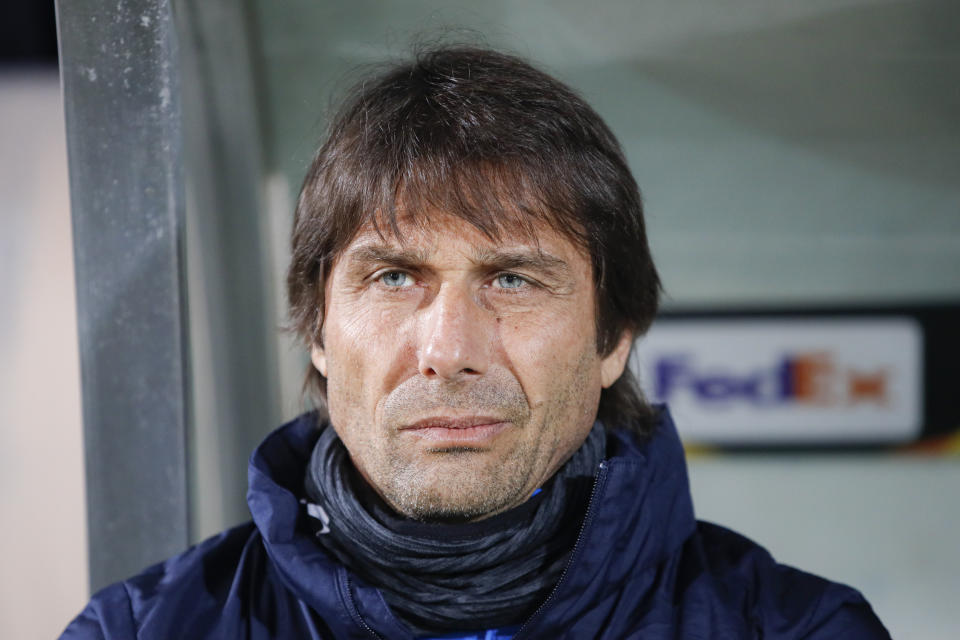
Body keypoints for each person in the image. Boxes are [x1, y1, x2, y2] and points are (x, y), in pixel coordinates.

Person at [62, 45, 889, 639]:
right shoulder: (136, 631)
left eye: (513, 280)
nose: (448, 348)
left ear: (613, 336)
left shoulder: (801, 629)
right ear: (318, 330)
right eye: (393, 278)